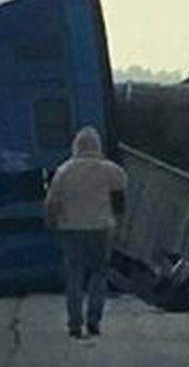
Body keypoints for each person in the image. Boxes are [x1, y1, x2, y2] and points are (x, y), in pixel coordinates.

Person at [44, 126, 127, 338]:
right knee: (98, 275)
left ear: (76, 145)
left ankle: (74, 323)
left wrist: (52, 223)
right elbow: (121, 195)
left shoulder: (64, 171)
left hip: (71, 229)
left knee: (74, 276)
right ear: (98, 145)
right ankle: (93, 320)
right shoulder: (110, 170)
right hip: (100, 229)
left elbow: (52, 202)